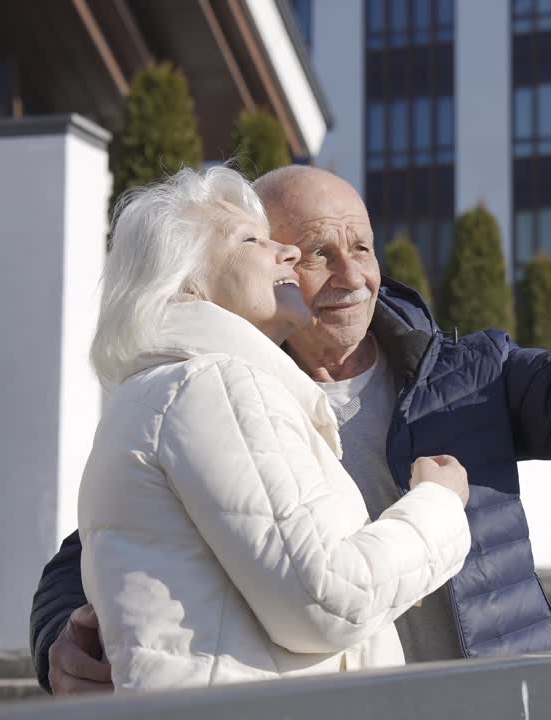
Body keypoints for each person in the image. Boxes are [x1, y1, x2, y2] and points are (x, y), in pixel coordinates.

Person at [33, 141, 551, 694]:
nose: (350, 274)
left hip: (503, 702)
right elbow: (103, 541)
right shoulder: (221, 396)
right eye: (314, 251)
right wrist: (61, 636)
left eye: (362, 246)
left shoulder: (468, 377)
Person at [77, 166, 471, 690]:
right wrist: (438, 506)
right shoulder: (214, 383)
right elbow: (325, 599)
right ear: (188, 286)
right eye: (252, 241)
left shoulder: (162, 389)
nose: (285, 253)